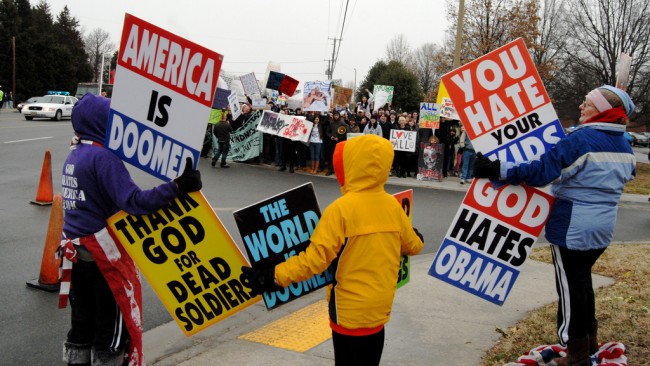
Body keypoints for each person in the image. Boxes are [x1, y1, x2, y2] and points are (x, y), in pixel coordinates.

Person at [473, 85, 636, 366]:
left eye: (587, 103)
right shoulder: (624, 144)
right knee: (583, 284)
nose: (581, 108)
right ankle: (589, 343)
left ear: (603, 110)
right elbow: (630, 175)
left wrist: (496, 168)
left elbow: (540, 171)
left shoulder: (582, 140)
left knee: (571, 289)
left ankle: (575, 355)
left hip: (572, 226)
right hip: (603, 227)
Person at [242, 134, 424, 366]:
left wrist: (274, 276)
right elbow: (413, 246)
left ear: (352, 165)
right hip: (379, 309)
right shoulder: (392, 206)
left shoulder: (340, 210)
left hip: (347, 311)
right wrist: (417, 236)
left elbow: (315, 260)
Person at [59, 93, 202, 365]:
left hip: (75, 254)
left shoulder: (76, 152)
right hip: (102, 258)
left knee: (82, 324)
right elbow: (135, 202)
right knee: (110, 331)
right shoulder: (103, 158)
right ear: (102, 121)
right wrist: (178, 186)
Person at [325, 110, 348, 176]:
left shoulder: (342, 123)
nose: (336, 116)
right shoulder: (331, 123)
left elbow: (345, 133)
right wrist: (331, 136)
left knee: (338, 156)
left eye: (337, 115)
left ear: (339, 116)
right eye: (335, 115)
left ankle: (338, 170)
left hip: (339, 142)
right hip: (331, 142)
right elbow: (327, 132)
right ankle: (330, 169)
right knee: (331, 156)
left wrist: (339, 138)